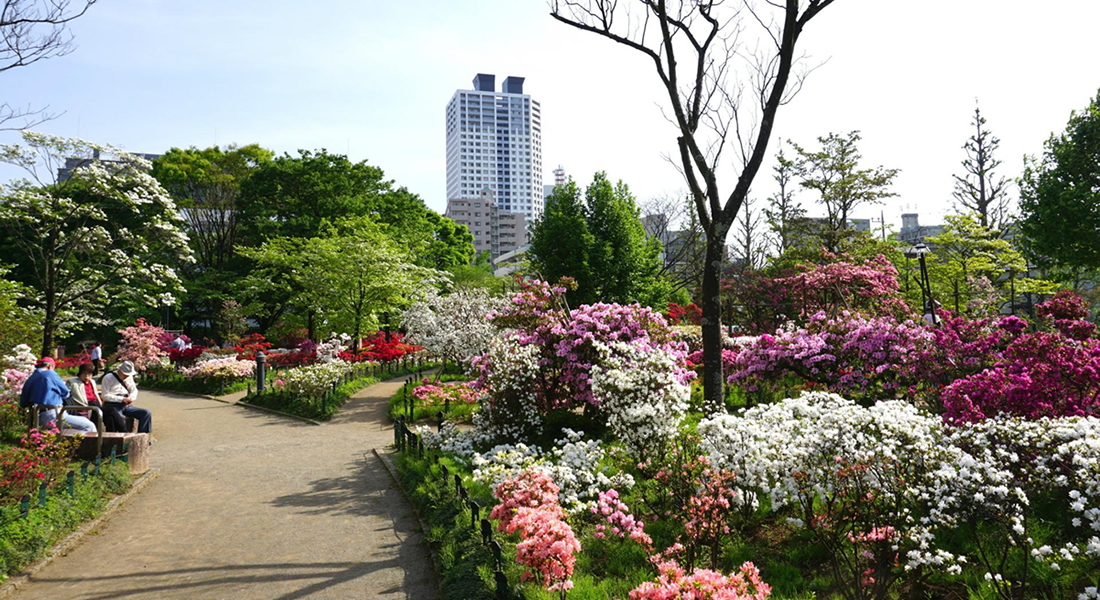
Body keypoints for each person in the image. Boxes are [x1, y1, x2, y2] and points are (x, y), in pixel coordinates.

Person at [19, 356, 97, 433]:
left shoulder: (31, 378)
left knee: (81, 423)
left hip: (38, 416)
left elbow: (23, 403)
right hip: (53, 414)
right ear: (50, 366)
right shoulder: (50, 374)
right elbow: (66, 393)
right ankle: (88, 445)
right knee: (89, 425)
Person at [101, 361, 152, 434]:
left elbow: (134, 390)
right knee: (119, 418)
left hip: (126, 405)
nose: (126, 376)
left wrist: (131, 398)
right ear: (119, 370)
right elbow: (105, 396)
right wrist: (121, 399)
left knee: (146, 413)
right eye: (125, 374)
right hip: (112, 405)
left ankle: (143, 435)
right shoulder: (108, 377)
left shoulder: (129, 377)